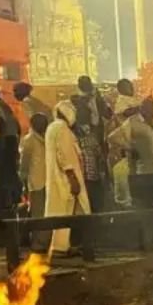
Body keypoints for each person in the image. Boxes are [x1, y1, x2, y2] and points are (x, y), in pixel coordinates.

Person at [45, 101, 90, 255]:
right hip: (65, 179)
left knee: (65, 212)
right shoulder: (62, 129)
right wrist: (72, 178)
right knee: (65, 212)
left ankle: (64, 246)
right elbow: (64, 156)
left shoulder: (53, 127)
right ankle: (60, 248)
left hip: (59, 178)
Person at [72, 94, 107, 214]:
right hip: (82, 180)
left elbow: (99, 155)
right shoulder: (73, 134)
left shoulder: (91, 132)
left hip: (93, 178)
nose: (87, 114)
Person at [19, 112, 49, 230]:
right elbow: (24, 166)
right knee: (40, 214)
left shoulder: (29, 140)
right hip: (40, 183)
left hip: (39, 183)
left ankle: (40, 243)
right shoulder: (32, 140)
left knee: (40, 214)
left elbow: (24, 166)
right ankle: (40, 242)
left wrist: (23, 183)